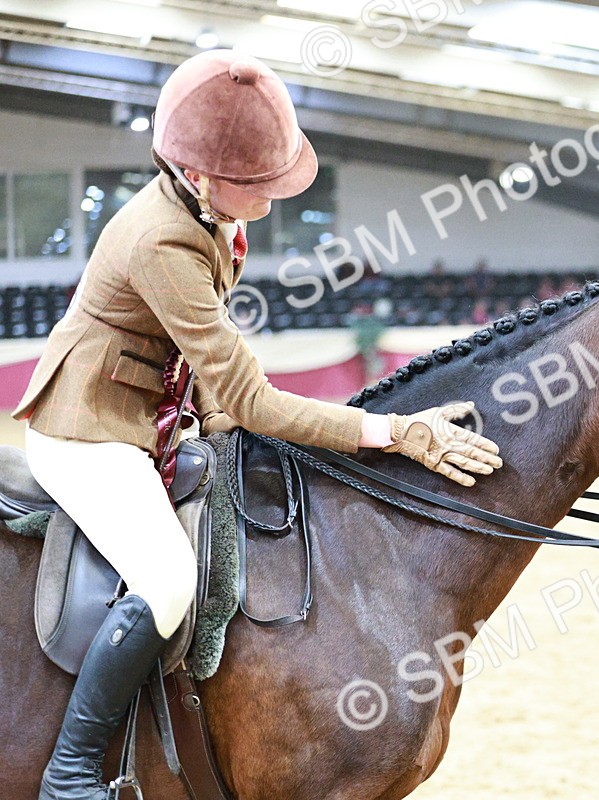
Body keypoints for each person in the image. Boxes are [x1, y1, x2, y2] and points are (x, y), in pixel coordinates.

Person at [14, 50, 503, 800]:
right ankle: (71, 770)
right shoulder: (162, 238)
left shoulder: (208, 216)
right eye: (256, 182)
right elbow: (252, 397)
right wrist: (390, 431)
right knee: (168, 580)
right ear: (198, 174)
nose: (272, 196)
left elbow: (209, 368)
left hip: (149, 415)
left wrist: (220, 424)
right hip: (87, 429)